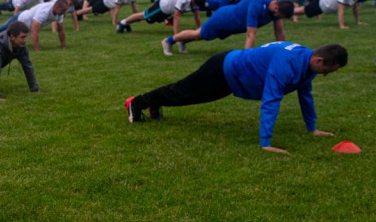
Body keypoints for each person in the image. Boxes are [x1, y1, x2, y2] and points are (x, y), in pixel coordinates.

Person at [125, 42, 346, 154]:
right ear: (318, 61)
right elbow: (271, 100)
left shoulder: (307, 64)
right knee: (183, 92)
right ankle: (138, 102)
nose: (326, 75)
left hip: (231, 76)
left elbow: (305, 96)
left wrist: (313, 128)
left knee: (184, 95)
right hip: (221, 69)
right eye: (328, 70)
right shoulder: (287, 63)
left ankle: (153, 104)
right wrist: (265, 143)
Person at [160, 0, 294, 55]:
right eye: (279, 16)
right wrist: (246, 58)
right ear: (276, 8)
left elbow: (280, 33)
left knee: (202, 37)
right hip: (224, 19)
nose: (277, 19)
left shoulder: (276, 8)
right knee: (199, 34)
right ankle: (168, 41)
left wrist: (284, 51)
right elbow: (250, 34)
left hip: (232, 25)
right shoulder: (256, 6)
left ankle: (182, 41)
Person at [116, 0, 205, 35]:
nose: (194, 7)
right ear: (193, 0)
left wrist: (199, 30)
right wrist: (176, 34)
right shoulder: (183, 0)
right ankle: (122, 23)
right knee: (144, 16)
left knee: (146, 19)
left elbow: (196, 16)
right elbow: (176, 17)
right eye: (194, 5)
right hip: (161, 7)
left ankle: (126, 23)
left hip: (167, 11)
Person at [305, 0, 371, 29]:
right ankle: (294, 11)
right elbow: (340, 10)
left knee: (304, 11)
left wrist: (358, 22)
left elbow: (355, 9)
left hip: (326, 5)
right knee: (303, 11)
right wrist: (342, 26)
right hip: (322, 2)